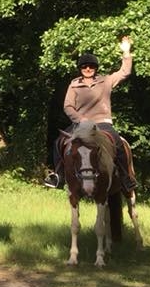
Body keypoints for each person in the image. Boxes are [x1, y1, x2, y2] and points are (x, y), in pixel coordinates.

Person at [44, 37, 135, 190]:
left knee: (118, 144)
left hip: (102, 123)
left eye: (91, 66)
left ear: (96, 68)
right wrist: (81, 119)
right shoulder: (74, 85)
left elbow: (125, 72)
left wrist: (126, 51)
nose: (88, 69)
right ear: (80, 68)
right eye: (85, 66)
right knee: (59, 142)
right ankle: (58, 176)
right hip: (80, 124)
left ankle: (126, 177)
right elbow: (68, 106)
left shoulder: (106, 81)